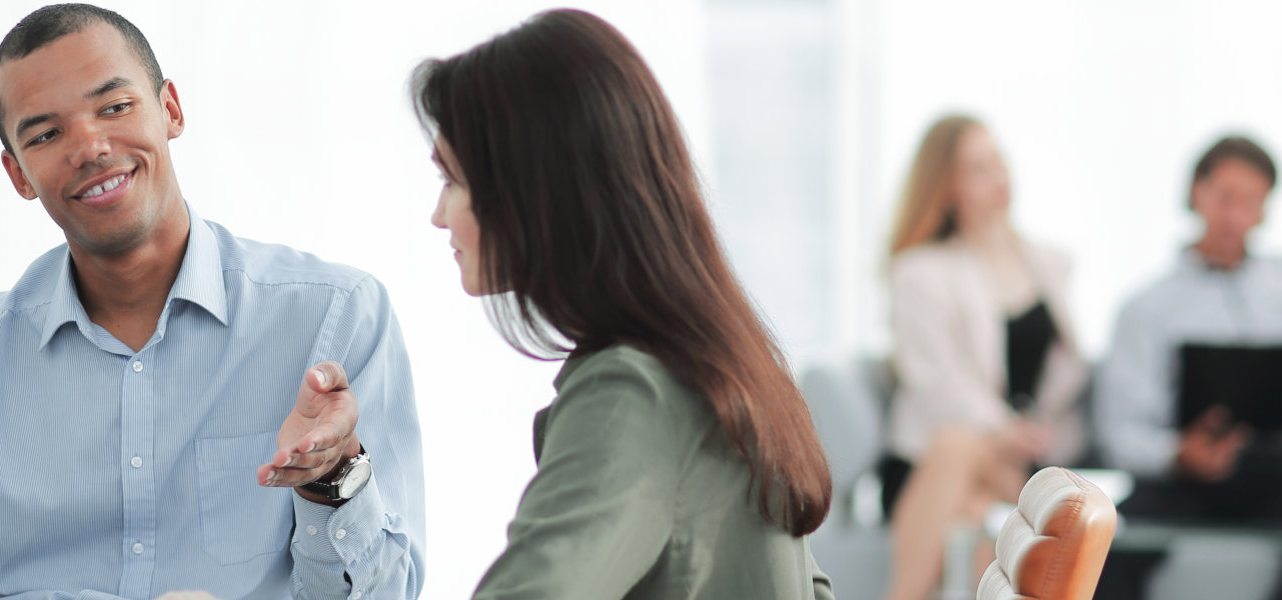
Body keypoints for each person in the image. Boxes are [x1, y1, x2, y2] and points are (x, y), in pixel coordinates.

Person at [0, 5, 426, 600]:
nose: (89, 148)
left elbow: (385, 594)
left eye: (114, 107)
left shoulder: (333, 316)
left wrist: (330, 478)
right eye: (46, 133)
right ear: (18, 175)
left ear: (170, 109)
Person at [414, 9, 835, 599]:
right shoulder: (722, 358)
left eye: (453, 181)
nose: (439, 216)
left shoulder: (630, 393)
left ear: (537, 191)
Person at [879, 115, 1088, 600]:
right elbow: (936, 382)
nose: (998, 178)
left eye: (1000, 162)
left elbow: (1066, 374)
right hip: (930, 461)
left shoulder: (1049, 263)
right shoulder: (921, 270)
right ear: (945, 185)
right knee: (961, 455)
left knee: (976, 509)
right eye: (978, 168)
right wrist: (1002, 429)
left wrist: (1030, 432)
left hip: (1020, 459)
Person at [1092, 136, 1282, 600]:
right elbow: (1118, 432)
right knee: (1104, 557)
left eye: (1253, 203)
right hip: (1178, 478)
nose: (1236, 217)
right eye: (1226, 199)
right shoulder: (1147, 307)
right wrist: (1177, 453)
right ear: (1197, 193)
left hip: (1271, 472)